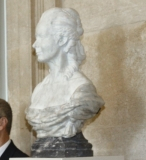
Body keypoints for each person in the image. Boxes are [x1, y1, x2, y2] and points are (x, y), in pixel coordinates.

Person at [25, 7, 103, 140]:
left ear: (62, 39)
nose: (34, 45)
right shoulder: (38, 90)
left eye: (41, 37)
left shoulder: (81, 89)